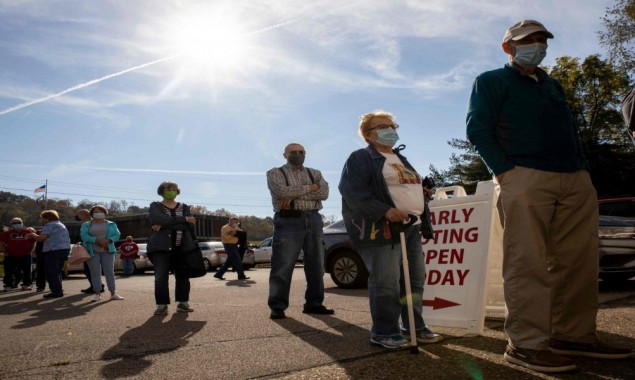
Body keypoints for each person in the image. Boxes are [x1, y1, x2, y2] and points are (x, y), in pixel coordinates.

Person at [466, 20, 634, 373]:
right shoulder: (491, 80)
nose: (537, 45)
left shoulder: (553, 85)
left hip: (573, 178)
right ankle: (526, 344)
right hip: (523, 176)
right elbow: (477, 129)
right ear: (508, 47)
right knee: (526, 261)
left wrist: (583, 168)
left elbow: (569, 131)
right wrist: (505, 171)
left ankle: (572, 336)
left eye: (542, 39)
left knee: (579, 261)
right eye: (528, 40)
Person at [338, 111, 441, 350]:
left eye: (392, 125)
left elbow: (405, 187)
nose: (390, 130)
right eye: (382, 126)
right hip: (382, 228)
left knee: (414, 280)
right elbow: (353, 192)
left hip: (411, 228)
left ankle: (414, 327)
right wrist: (385, 211)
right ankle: (385, 331)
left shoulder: (400, 159)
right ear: (367, 135)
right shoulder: (360, 158)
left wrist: (421, 193)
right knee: (387, 283)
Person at [266, 142, 332, 319]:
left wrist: (293, 193)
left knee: (316, 265)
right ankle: (277, 306)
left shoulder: (315, 173)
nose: (297, 154)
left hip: (314, 219)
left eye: (301, 151)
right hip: (288, 219)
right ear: (284, 155)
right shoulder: (275, 173)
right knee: (283, 265)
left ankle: (314, 303)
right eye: (293, 152)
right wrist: (311, 188)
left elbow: (324, 193)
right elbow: (281, 192)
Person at [147, 181, 196, 315]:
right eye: (168, 189)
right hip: (160, 248)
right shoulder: (155, 206)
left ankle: (183, 303)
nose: (171, 191)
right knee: (161, 278)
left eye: (174, 189)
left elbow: (189, 225)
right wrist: (184, 219)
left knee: (183, 277)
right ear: (162, 191)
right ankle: (162, 305)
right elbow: (158, 218)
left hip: (182, 247)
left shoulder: (184, 207)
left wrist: (163, 225)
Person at [81, 205, 123, 302]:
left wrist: (109, 240)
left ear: (105, 212)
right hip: (92, 251)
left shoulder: (112, 224)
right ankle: (97, 294)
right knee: (95, 272)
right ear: (92, 214)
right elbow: (83, 236)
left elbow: (117, 235)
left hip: (108, 250)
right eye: (95, 212)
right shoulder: (86, 224)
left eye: (100, 211)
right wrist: (96, 240)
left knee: (109, 272)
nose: (98, 213)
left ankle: (113, 293)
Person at [26, 210, 70, 298]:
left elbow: (41, 238)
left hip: (52, 250)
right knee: (57, 271)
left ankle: (56, 292)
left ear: (47, 218)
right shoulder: (60, 224)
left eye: (41, 218)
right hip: (64, 249)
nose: (40, 220)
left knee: (51, 272)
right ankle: (58, 289)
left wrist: (32, 234)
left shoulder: (49, 225)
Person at [1, 218, 36, 291]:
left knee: (27, 270)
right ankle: (8, 285)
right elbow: (2, 244)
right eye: (15, 223)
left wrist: (30, 252)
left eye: (19, 222)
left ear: (22, 223)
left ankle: (26, 284)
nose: (17, 224)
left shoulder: (28, 232)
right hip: (10, 255)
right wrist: (6, 253)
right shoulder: (6, 233)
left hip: (25, 255)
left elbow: (33, 242)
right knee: (9, 271)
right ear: (12, 224)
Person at [76, 209, 104, 295]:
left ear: (83, 215)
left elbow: (88, 236)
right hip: (92, 248)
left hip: (91, 249)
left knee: (90, 269)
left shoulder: (88, 224)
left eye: (78, 215)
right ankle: (97, 286)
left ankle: (96, 287)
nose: (77, 217)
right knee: (91, 269)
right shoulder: (92, 223)